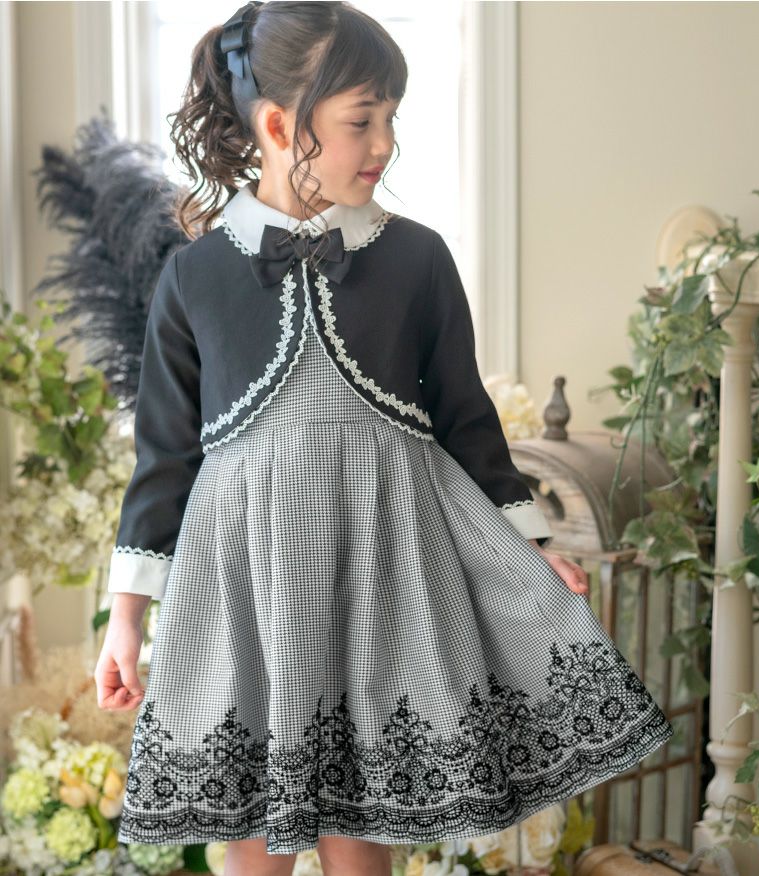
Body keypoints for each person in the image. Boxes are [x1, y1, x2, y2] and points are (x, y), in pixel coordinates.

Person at [94, 2, 673, 874]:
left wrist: (531, 545)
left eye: (391, 119)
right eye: (361, 121)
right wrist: (126, 620)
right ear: (280, 126)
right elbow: (164, 458)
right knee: (249, 839)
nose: (385, 144)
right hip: (246, 580)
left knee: (362, 826)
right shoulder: (194, 277)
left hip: (382, 569)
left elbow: (467, 419)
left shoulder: (418, 259)